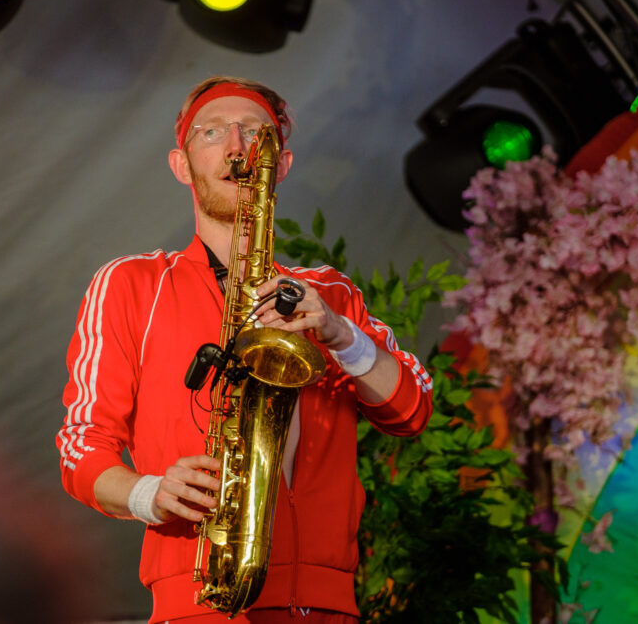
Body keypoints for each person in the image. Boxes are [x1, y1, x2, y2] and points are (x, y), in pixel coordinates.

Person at [56, 77, 433, 624]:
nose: (238, 146)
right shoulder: (129, 284)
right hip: (201, 600)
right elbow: (81, 446)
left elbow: (412, 410)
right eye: (212, 133)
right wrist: (151, 493)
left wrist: (338, 335)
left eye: (256, 133)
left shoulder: (330, 295)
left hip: (329, 608)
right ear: (181, 165)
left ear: (279, 165)